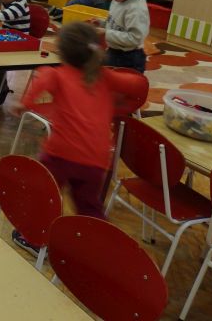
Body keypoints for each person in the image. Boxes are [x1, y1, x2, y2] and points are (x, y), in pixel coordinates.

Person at [10, 22, 143, 254]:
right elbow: (138, 84)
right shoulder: (104, 76)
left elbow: (42, 80)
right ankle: (98, 247)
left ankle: (34, 239)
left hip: (60, 154)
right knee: (89, 205)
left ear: (62, 52)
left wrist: (25, 104)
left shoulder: (58, 74)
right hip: (97, 159)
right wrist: (122, 107)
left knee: (45, 195)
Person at [97, 0, 150, 73]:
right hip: (113, 51)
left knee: (124, 82)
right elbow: (115, 23)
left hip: (129, 58)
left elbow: (134, 38)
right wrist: (101, 23)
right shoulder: (118, 0)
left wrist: (105, 33)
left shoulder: (136, 9)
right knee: (104, 76)